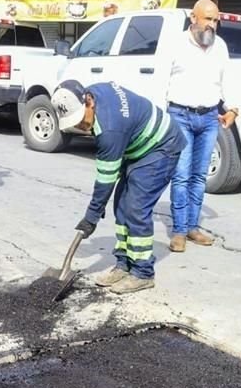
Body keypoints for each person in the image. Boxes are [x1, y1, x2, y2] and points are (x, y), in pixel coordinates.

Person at [52, 79, 186, 294]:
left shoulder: (110, 130)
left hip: (161, 146)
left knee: (135, 207)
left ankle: (143, 273)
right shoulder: (92, 93)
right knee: (121, 206)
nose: (81, 127)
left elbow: (106, 180)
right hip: (135, 144)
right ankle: (124, 264)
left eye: (80, 120)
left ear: (88, 102)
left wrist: (91, 217)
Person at [166, 0, 239, 252]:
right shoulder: (175, 44)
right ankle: (178, 231)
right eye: (208, 19)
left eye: (216, 20)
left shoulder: (220, 46)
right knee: (181, 174)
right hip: (180, 116)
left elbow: (227, 79)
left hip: (209, 118)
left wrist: (233, 108)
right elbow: (160, 79)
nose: (213, 25)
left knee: (199, 176)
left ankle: (192, 227)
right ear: (193, 19)